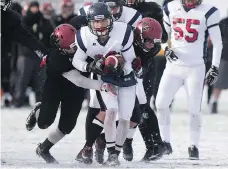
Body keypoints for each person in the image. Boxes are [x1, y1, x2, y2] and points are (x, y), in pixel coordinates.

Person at [25, 24, 116, 164]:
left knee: (67, 126)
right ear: (60, 47)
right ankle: (38, 110)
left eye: (75, 46)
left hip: (74, 91)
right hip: (56, 87)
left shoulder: (84, 41)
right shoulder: (56, 57)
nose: (74, 50)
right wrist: (102, 86)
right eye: (70, 47)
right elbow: (79, 80)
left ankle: (44, 148)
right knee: (44, 122)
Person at [156, 0, 223, 160]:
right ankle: (165, 142)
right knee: (160, 104)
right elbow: (163, 36)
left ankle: (194, 146)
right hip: (173, 67)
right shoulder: (170, 7)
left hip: (195, 67)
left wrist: (214, 67)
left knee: (194, 110)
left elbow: (218, 42)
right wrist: (166, 48)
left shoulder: (209, 11)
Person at [72, 2, 137, 166]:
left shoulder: (123, 31)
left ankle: (116, 153)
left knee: (125, 118)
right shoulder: (84, 35)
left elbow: (130, 59)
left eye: (103, 21)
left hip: (124, 77)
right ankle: (108, 151)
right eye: (96, 22)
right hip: (103, 78)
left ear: (111, 20)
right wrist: (89, 66)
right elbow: (76, 60)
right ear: (89, 22)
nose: (100, 26)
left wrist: (123, 68)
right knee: (110, 111)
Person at [209, 16, 228, 113]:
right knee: (218, 83)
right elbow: (214, 37)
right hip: (224, 56)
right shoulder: (223, 22)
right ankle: (214, 102)